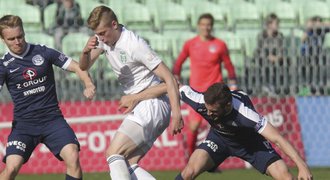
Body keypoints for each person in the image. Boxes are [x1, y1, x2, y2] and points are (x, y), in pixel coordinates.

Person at [118, 82, 313, 180]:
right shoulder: (200, 100)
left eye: (213, 111)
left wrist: (302, 165)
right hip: (219, 139)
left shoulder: (245, 114)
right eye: (207, 109)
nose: (209, 113)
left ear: (227, 105)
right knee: (189, 171)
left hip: (251, 144)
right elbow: (171, 85)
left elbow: (278, 138)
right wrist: (136, 97)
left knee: (285, 176)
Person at [79, 6, 183, 180]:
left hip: (152, 105)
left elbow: (170, 79)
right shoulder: (104, 40)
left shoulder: (134, 45)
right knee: (128, 164)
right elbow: (84, 66)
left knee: (113, 153)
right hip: (146, 106)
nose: (101, 38)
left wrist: (177, 114)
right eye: (98, 34)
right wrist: (85, 51)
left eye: (103, 33)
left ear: (114, 24)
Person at [0, 15, 96, 180]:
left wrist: (88, 84)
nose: (17, 41)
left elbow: (76, 66)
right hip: (24, 126)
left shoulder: (43, 52)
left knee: (73, 156)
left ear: (24, 33)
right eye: (11, 39)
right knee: (11, 168)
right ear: (2, 39)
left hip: (52, 120)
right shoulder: (3, 65)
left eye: (20, 36)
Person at [172, 13, 237, 157]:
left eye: (208, 25)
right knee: (194, 126)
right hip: (196, 92)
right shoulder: (190, 44)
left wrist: (233, 83)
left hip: (216, 93)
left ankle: (214, 159)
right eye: (203, 24)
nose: (206, 27)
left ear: (212, 26)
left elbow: (229, 65)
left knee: (219, 127)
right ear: (198, 26)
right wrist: (175, 78)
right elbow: (178, 63)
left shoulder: (220, 45)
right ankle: (191, 156)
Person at [254, 13, 285, 95]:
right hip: (263, 60)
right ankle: (265, 86)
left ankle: (276, 87)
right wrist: (268, 56)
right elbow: (259, 51)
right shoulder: (261, 36)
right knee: (265, 63)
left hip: (276, 60)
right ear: (269, 24)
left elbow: (281, 51)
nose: (278, 26)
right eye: (276, 24)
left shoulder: (279, 36)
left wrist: (277, 57)